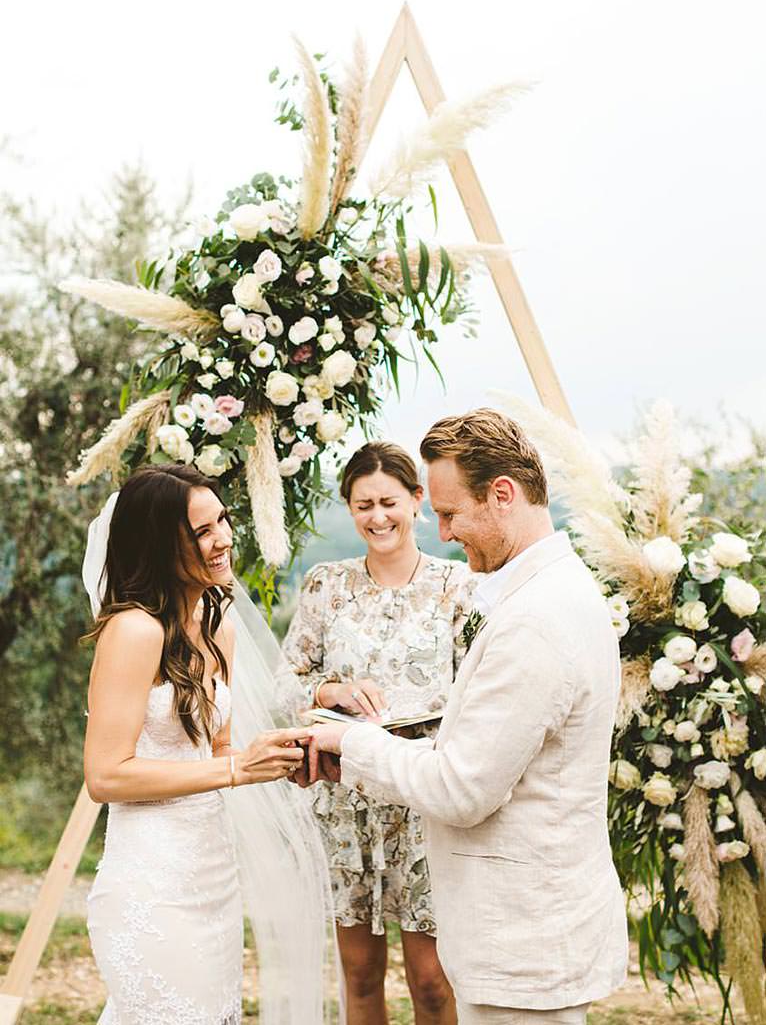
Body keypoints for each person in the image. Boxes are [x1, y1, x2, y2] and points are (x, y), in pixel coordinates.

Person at [304, 410, 629, 1025]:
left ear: (501, 495)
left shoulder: (536, 619)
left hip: (524, 944)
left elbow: (461, 788)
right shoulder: (556, 591)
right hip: (530, 933)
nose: (445, 532)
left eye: (450, 513)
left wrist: (353, 745)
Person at [82, 464, 310, 1025]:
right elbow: (106, 776)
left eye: (223, 521)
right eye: (203, 530)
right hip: (152, 877)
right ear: (162, 542)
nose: (224, 539)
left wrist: (273, 755)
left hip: (212, 870)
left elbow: (216, 751)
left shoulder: (217, 626)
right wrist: (234, 774)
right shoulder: (134, 630)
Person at [280, 441, 475, 1025]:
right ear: (349, 507)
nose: (377, 517)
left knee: (432, 981)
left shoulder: (459, 587)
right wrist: (326, 692)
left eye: (389, 501)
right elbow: (282, 682)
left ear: (418, 501)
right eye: (362, 504)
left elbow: (480, 691)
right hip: (344, 802)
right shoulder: (324, 585)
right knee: (359, 976)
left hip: (424, 798)